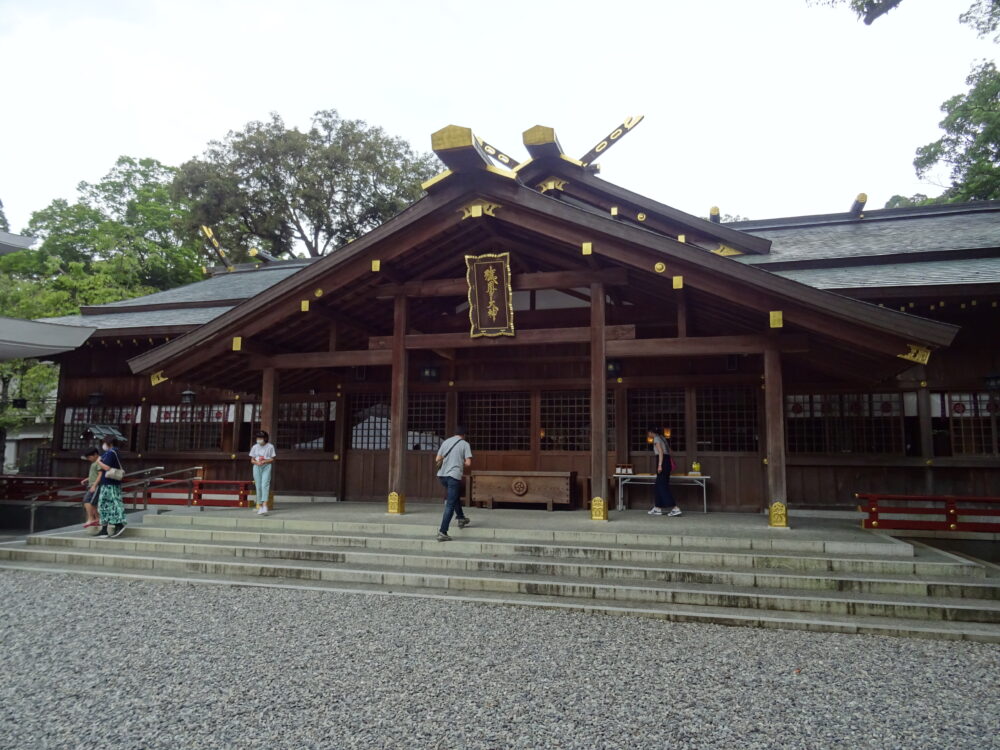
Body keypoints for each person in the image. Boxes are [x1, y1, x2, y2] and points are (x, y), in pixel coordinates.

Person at [434, 426, 472, 541]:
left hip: (442, 476)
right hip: (453, 476)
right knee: (450, 504)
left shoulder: (446, 442)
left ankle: (461, 517)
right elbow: (468, 463)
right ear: (464, 435)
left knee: (454, 498)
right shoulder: (465, 444)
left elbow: (437, 459)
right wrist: (459, 463)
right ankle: (442, 531)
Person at [95, 437, 127, 538]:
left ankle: (119, 524)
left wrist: (98, 461)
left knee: (111, 504)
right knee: (105, 504)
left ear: (109, 443)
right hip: (108, 483)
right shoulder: (112, 452)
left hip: (110, 483)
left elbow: (107, 467)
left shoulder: (111, 453)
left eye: (104, 443)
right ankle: (105, 529)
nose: (103, 445)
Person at [647, 427, 682, 517]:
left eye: (648, 433)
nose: (648, 435)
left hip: (662, 460)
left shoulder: (656, 438)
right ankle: (657, 508)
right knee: (659, 485)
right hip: (667, 462)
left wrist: (659, 465)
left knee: (662, 486)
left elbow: (661, 452)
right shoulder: (662, 437)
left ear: (651, 432)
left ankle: (675, 508)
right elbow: (670, 451)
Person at [249, 430, 276, 515]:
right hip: (257, 467)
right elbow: (252, 460)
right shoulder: (255, 447)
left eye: (261, 438)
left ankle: (265, 505)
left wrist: (265, 461)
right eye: (258, 438)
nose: (259, 439)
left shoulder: (270, 446)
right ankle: (260, 506)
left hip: (266, 466)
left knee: (265, 485)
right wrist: (256, 462)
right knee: (258, 486)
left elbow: (272, 459)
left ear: (265, 438)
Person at [80, 448, 101, 529]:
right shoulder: (94, 463)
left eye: (89, 457)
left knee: (87, 500)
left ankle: (91, 518)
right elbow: (94, 475)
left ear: (95, 454)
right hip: (92, 485)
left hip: (94, 485)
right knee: (93, 503)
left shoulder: (99, 462)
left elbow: (100, 474)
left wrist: (94, 485)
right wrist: (86, 479)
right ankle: (97, 519)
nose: (89, 459)